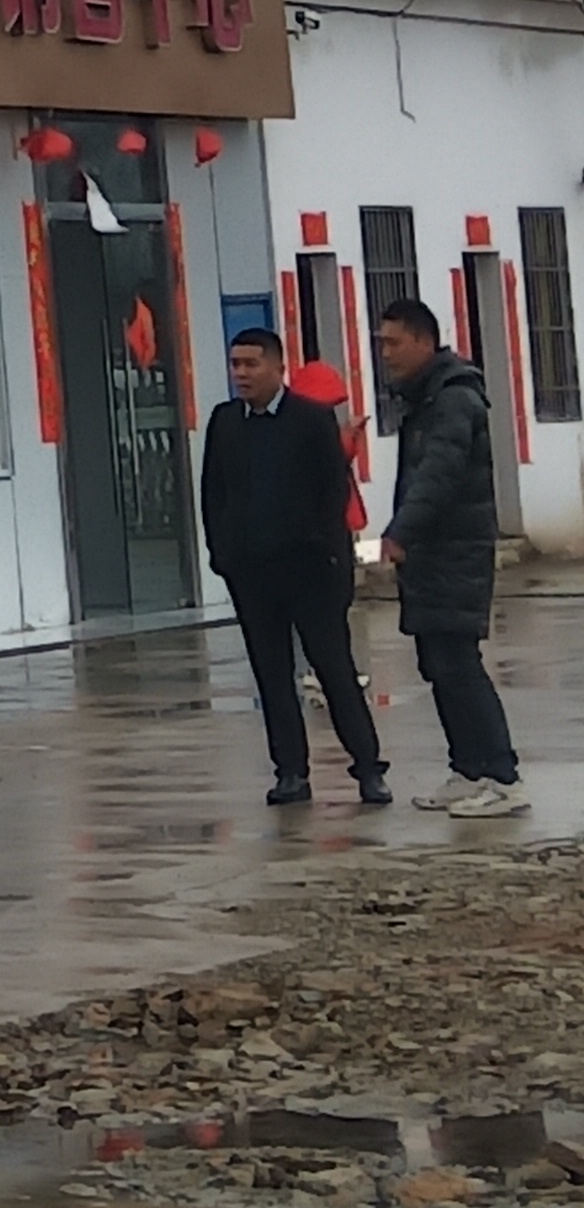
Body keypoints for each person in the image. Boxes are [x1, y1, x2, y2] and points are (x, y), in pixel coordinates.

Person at [198, 325, 387, 809]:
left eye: (251, 364)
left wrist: (326, 553)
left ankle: (367, 767)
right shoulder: (225, 422)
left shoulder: (310, 419)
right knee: (272, 674)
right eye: (235, 364)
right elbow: (213, 493)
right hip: (253, 573)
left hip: (310, 571)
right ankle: (290, 772)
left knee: (333, 669)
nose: (241, 374)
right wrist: (223, 555)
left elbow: (332, 490)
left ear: (278, 368)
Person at [373, 296, 527, 817]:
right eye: (381, 343)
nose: (386, 353)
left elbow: (437, 476)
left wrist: (400, 533)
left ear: (423, 340)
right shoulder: (425, 399)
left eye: (394, 343)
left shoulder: (455, 400)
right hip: (431, 560)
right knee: (437, 663)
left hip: (455, 554)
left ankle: (503, 778)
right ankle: (468, 769)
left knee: (459, 665)